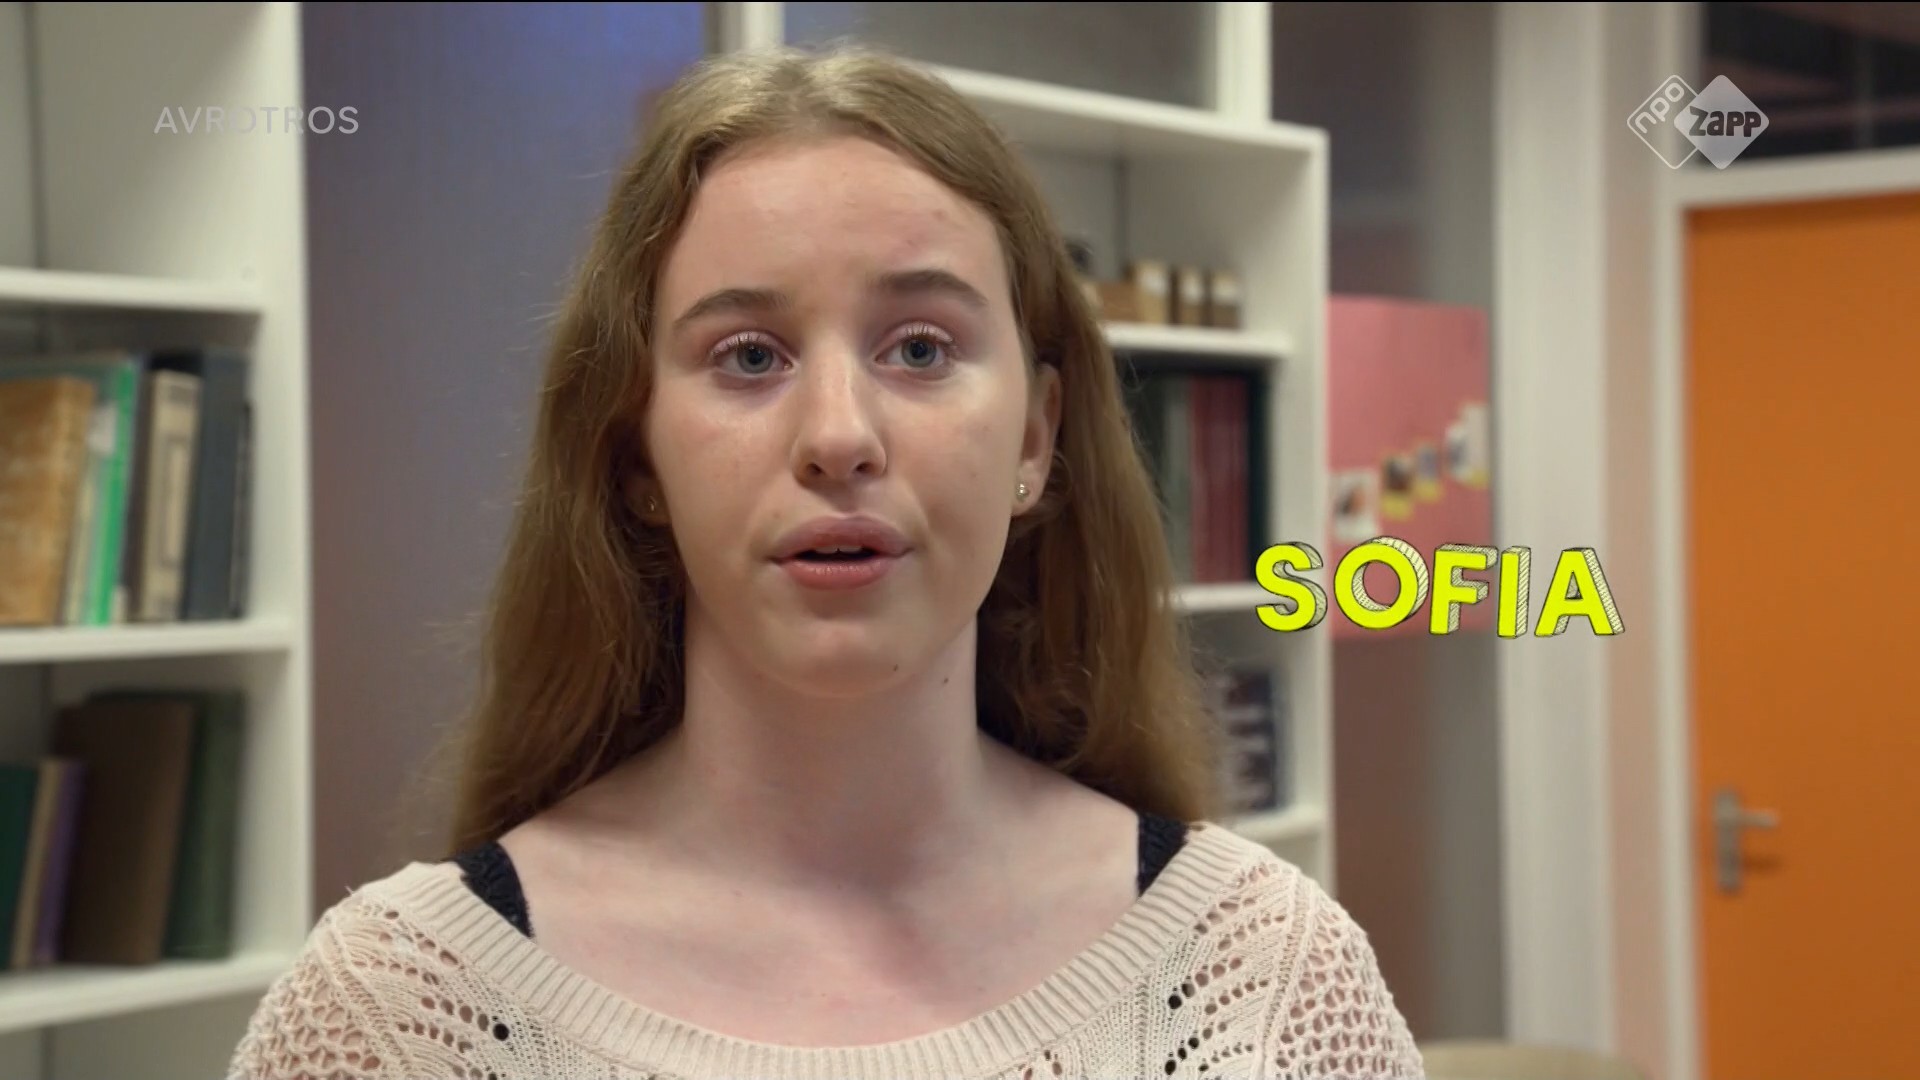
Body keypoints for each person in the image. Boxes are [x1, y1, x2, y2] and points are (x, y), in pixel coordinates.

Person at [227, 43, 1422, 1080]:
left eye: (921, 346)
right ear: (636, 451)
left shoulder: (1266, 982)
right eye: (749, 356)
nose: (840, 435)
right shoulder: (397, 1015)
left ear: (1036, 437)